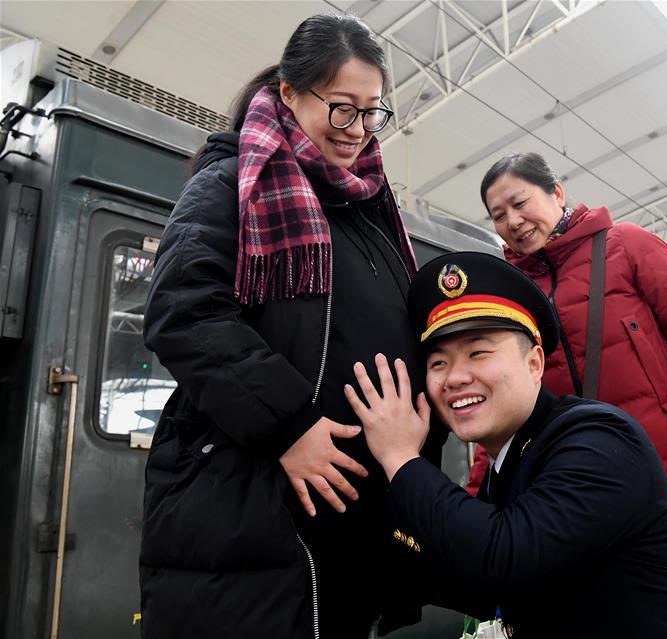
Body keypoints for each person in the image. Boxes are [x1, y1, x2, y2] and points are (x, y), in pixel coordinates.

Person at [139, 14, 444, 638]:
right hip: (257, 508)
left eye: (372, 112)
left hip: (352, 523)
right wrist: (289, 425)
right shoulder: (231, 186)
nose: (358, 131)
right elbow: (183, 309)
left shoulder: (367, 212)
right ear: (288, 93)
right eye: (341, 109)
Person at [344, 251, 667, 638]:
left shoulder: (598, 440)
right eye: (438, 363)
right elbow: (481, 590)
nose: (455, 377)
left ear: (534, 363)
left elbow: (502, 560)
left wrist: (401, 458)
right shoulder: (512, 462)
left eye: (479, 353)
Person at [467, 151, 667, 593]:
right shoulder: (510, 294)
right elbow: (506, 402)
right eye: (499, 215)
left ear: (557, 193)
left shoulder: (628, 246)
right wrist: (477, 495)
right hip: (580, 479)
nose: (513, 220)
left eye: (520, 202)